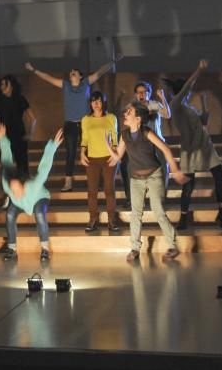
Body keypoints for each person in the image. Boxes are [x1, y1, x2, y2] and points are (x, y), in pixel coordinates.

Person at [25, 56, 122, 191]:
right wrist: (33, 70)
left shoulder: (86, 83)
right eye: (71, 72)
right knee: (70, 153)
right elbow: (48, 78)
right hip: (70, 124)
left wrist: (114, 61)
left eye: (74, 71)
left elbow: (100, 72)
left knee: (91, 151)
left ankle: (96, 179)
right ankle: (68, 182)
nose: (72, 72)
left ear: (80, 76)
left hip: (86, 123)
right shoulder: (65, 85)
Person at [107, 101, 188, 262]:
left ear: (138, 119)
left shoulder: (146, 132)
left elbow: (165, 149)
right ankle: (135, 248)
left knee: (158, 210)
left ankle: (172, 246)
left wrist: (175, 169)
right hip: (136, 179)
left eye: (129, 112)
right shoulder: (125, 135)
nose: (125, 113)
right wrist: (109, 146)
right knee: (135, 214)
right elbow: (118, 157)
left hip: (154, 175)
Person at [164, 59, 222, 231]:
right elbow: (188, 87)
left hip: (205, 145)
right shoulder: (175, 105)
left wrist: (204, 109)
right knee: (189, 184)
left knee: (219, 176)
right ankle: (183, 217)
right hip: (190, 149)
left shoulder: (187, 108)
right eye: (186, 90)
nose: (189, 92)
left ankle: (221, 213)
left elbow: (202, 123)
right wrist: (199, 70)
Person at [0, 122, 63, 261]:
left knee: (39, 213)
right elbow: (6, 160)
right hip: (20, 203)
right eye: (12, 189)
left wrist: (53, 146)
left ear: (23, 184)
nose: (15, 192)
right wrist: (3, 139)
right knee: (10, 214)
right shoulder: (8, 186)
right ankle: (12, 250)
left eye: (17, 189)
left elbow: (44, 167)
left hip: (39, 197)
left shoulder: (34, 185)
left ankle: (45, 249)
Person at [119, 81, 171, 207]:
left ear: (148, 93)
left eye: (144, 92)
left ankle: (160, 198)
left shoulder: (154, 105)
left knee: (164, 167)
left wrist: (162, 97)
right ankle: (131, 199)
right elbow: (123, 116)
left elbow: (167, 114)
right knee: (128, 167)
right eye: (138, 92)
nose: (141, 94)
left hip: (156, 142)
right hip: (140, 144)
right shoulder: (133, 107)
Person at [80, 90, 120, 233]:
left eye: (98, 100)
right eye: (93, 101)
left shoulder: (111, 118)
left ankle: (112, 220)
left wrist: (115, 154)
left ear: (103, 102)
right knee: (92, 191)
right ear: (90, 103)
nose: (96, 104)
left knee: (109, 189)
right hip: (92, 158)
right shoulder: (86, 120)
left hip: (108, 157)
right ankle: (93, 219)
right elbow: (84, 138)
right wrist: (82, 152)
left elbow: (115, 137)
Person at [0, 75, 35, 178]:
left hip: (19, 134)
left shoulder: (20, 99)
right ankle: (9, 190)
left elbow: (33, 119)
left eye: (5, 84)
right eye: (1, 84)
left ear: (12, 86)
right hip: (5, 135)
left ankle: (25, 189)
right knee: (6, 164)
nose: (3, 87)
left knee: (22, 164)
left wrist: (31, 134)